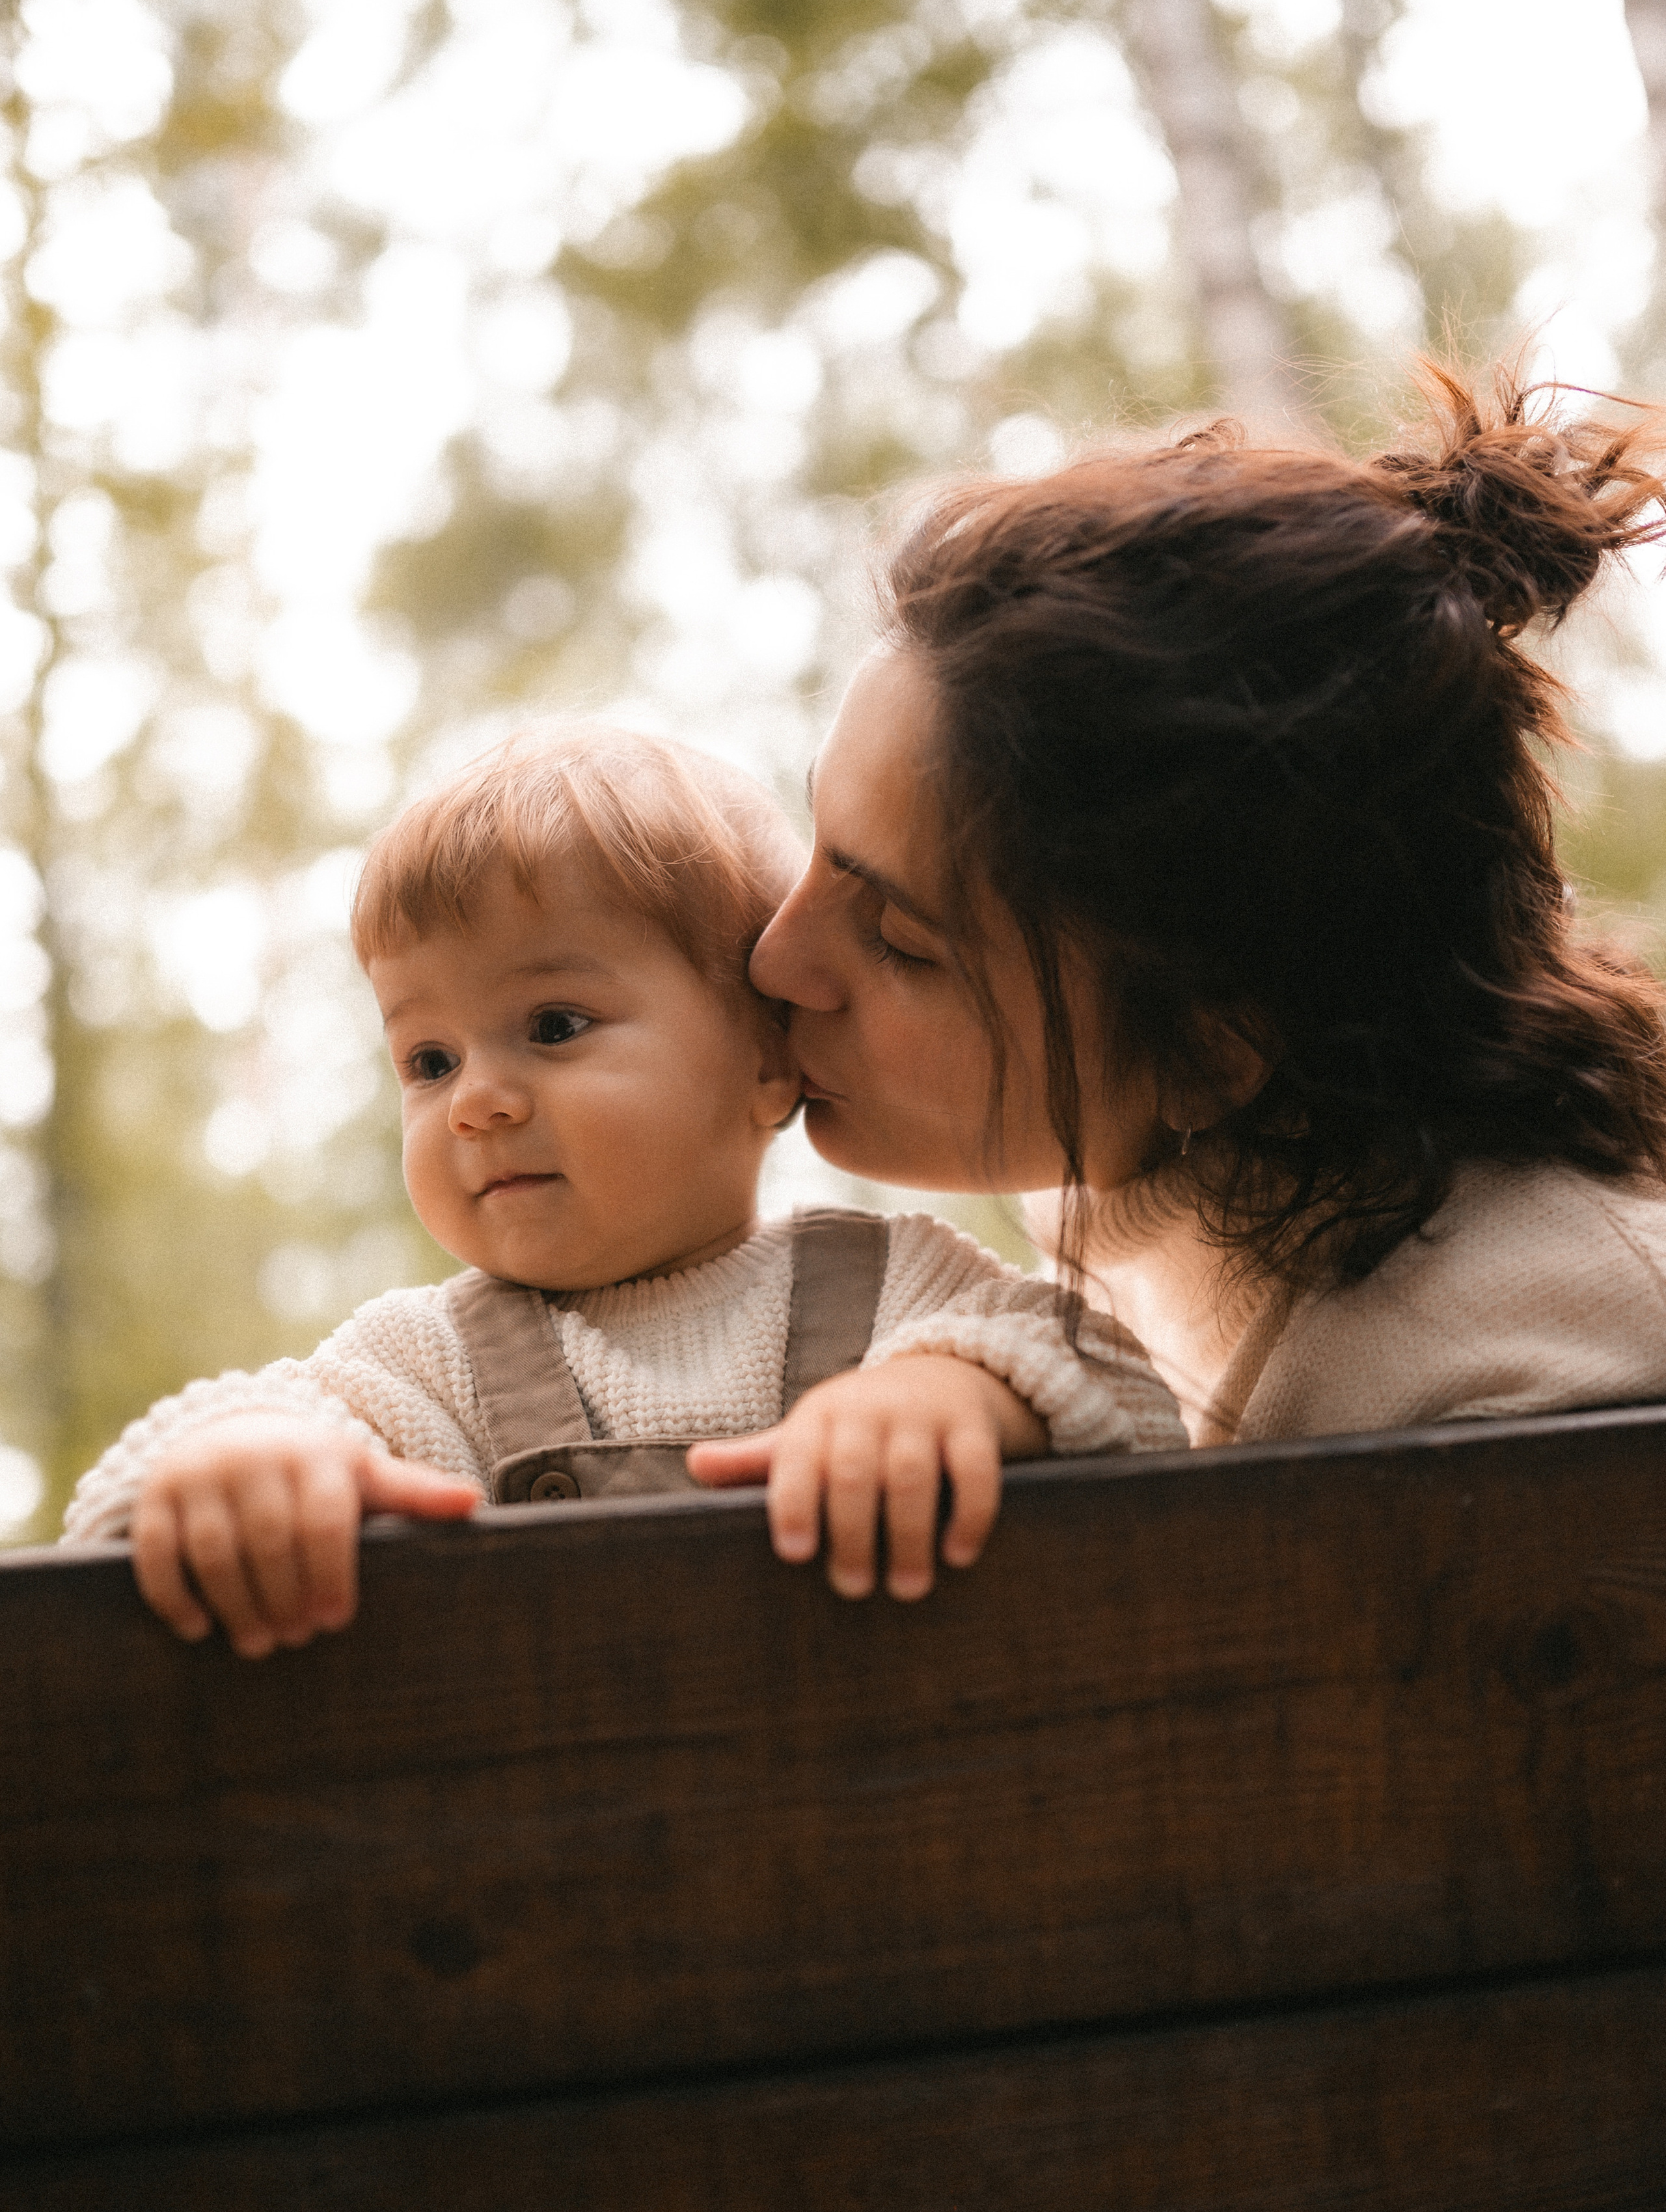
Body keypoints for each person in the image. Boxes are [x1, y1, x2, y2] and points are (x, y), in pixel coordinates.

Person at [694, 362, 1666, 1467]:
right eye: (817, 845)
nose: (774, 958)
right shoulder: (1153, 1201)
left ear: (1209, 1052)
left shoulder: (1540, 1380)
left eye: (902, 942)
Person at [61, 728, 1184, 1653]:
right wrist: (241, 1459)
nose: (475, 1102)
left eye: (553, 1027)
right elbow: (125, 1519)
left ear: (764, 1059)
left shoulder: (897, 1285)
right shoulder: (431, 1361)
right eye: (429, 1059)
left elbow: (1137, 1406)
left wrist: (954, 1396)